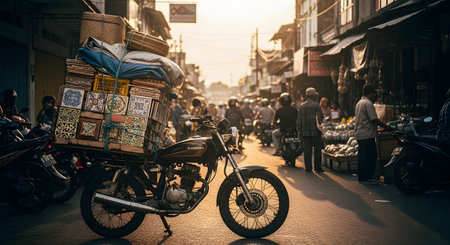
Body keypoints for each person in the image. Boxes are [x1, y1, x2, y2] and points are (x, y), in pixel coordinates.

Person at [354, 83, 392, 184]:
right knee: (369, 157)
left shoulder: (359, 103)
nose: (374, 95)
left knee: (363, 157)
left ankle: (362, 177)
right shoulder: (368, 103)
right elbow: (374, 119)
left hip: (361, 134)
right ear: (370, 93)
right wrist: (386, 126)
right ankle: (367, 178)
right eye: (373, 93)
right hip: (367, 135)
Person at [297, 87, 324, 172]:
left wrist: (299, 131)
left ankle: (308, 168)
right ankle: (317, 168)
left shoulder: (301, 106)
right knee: (317, 150)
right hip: (315, 132)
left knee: (307, 151)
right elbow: (320, 118)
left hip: (305, 133)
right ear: (313, 95)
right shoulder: (316, 105)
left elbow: (299, 121)